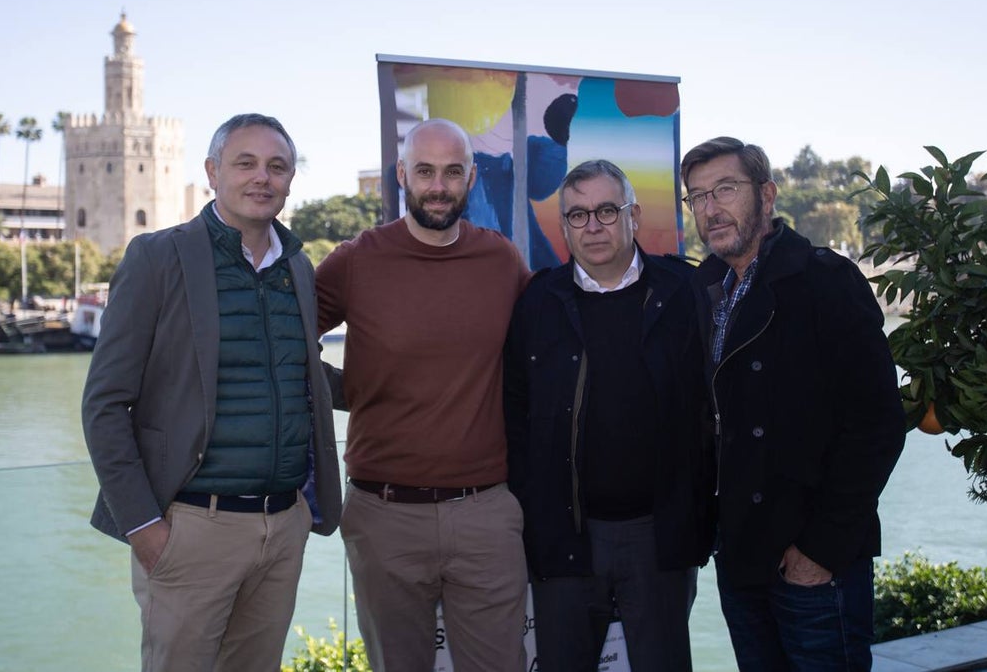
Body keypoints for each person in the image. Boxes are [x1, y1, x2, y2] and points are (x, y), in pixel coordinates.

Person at [82, 113, 342, 672]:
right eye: (244, 163)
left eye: (277, 166)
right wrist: (144, 527)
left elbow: (303, 373)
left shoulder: (297, 265)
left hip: (282, 524)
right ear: (211, 172)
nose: (261, 178)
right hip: (191, 527)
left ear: (291, 179)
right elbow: (105, 403)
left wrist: (409, 380)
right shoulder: (157, 258)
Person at [681, 136, 905, 671]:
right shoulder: (705, 290)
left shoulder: (826, 281)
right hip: (739, 559)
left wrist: (821, 551)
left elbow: (878, 425)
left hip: (812, 565)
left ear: (768, 194)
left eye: (725, 189)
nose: (711, 209)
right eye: (697, 197)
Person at [316, 117, 532, 672]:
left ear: (472, 178)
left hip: (486, 513)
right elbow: (282, 340)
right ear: (402, 175)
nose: (439, 186)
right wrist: (346, 390)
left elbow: (550, 351)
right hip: (383, 515)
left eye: (452, 172)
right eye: (426, 171)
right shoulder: (357, 259)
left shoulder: (502, 261)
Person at [504, 159, 713, 672]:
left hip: (660, 536)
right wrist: (533, 514)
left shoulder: (682, 292)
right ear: (563, 226)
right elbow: (514, 409)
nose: (592, 226)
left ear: (633, 215)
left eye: (605, 210)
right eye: (577, 215)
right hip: (566, 537)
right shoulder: (538, 300)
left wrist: (701, 516)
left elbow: (711, 407)